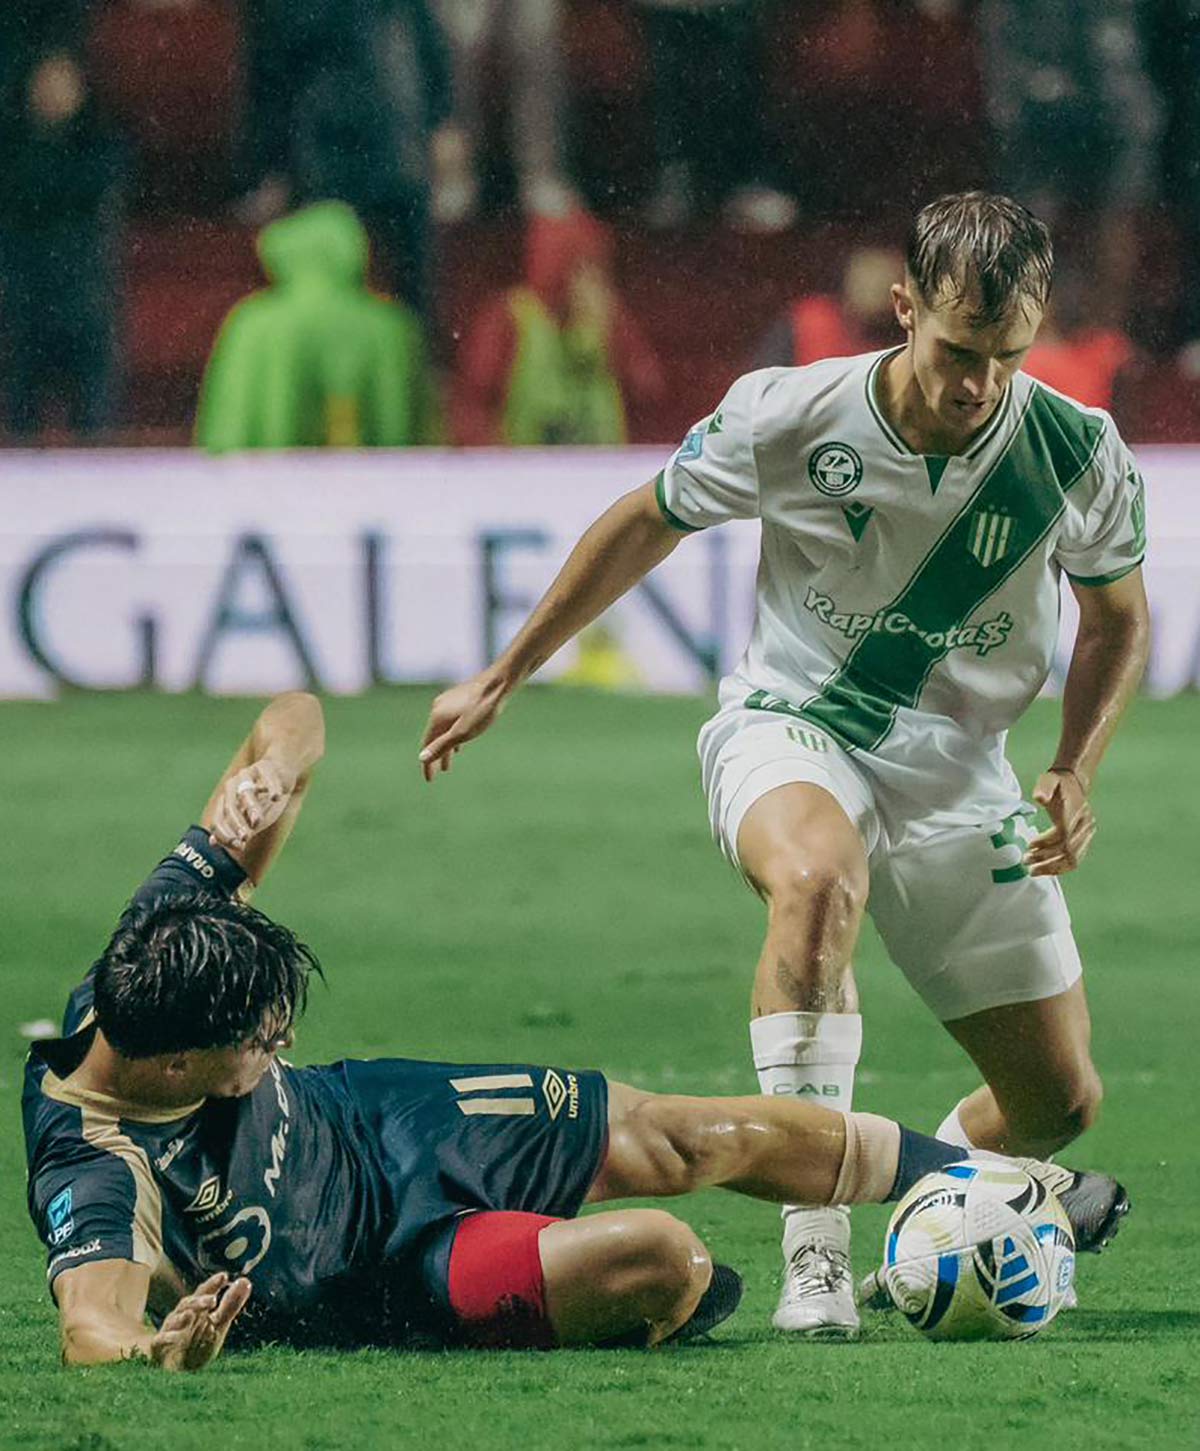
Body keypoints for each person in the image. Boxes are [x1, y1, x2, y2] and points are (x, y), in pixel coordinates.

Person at [418, 193, 1150, 1337]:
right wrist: (507, 670)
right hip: (796, 722)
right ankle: (817, 1253)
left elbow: (1116, 621)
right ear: (904, 307)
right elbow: (647, 516)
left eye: (1005, 356)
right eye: (960, 350)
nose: (979, 385)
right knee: (816, 883)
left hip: (964, 772)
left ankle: (939, 1198)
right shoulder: (792, 412)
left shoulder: (1074, 448)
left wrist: (1074, 767)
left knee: (1057, 1101)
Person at [24, 692, 1126, 1369]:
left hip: (385, 1123)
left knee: (690, 1135)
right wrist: (153, 1351)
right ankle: (661, 1294)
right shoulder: (100, 1166)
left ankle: (996, 1183)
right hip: (389, 1274)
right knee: (664, 1257)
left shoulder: (166, 940)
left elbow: (295, 716)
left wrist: (271, 772)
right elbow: (92, 1322)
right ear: (173, 1064)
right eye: (255, 1047)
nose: (274, 1047)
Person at [195, 201, 437, 451]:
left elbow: (229, 428)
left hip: (267, 484)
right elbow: (411, 432)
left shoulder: (253, 322)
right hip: (372, 484)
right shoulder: (390, 325)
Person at [450, 210, 663, 446]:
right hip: (527, 470)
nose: (591, 281)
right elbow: (471, 406)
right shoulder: (509, 318)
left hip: (601, 470)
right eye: (582, 268)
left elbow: (649, 391)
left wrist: (614, 332)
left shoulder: (607, 316)